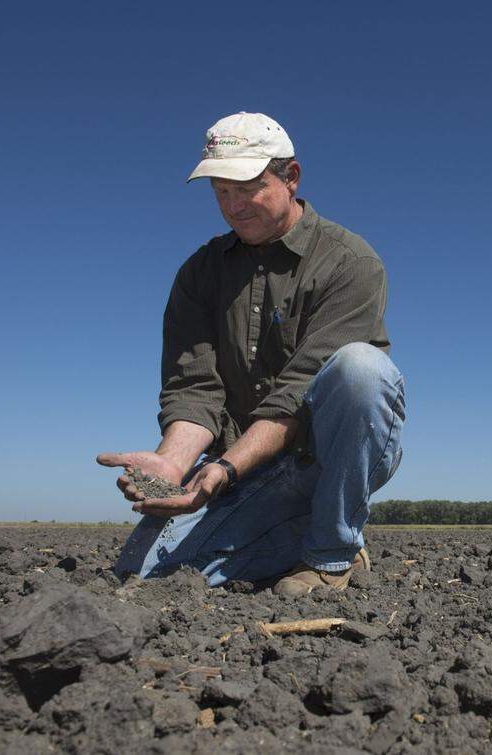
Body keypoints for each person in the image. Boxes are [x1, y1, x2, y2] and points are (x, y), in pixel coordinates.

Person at [96, 112, 405, 596]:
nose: (233, 206)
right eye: (221, 191)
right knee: (142, 579)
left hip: (321, 457)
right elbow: (194, 389)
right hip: (242, 466)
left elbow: (296, 394)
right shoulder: (199, 273)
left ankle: (332, 551)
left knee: (362, 370)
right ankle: (296, 531)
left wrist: (222, 470)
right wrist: (174, 465)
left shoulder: (350, 263)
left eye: (248, 187)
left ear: (291, 177)